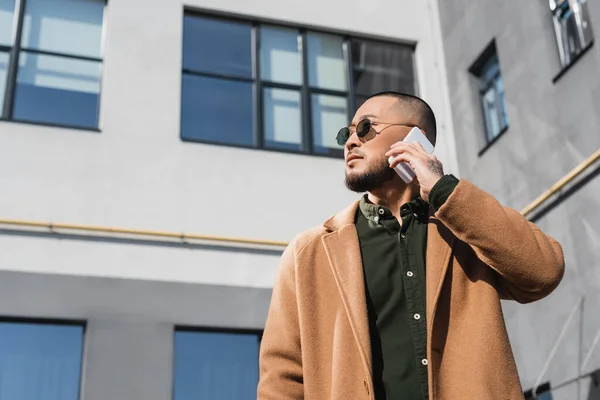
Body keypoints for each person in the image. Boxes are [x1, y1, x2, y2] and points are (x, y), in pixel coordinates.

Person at [256, 91, 565, 400]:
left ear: (417, 138)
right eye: (346, 134)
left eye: (364, 127)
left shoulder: (463, 225)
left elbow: (543, 271)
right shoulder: (309, 252)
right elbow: (281, 379)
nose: (350, 142)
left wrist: (444, 190)